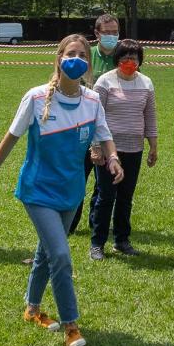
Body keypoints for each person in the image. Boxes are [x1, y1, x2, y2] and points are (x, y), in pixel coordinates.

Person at [0, 34, 122, 346]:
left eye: (82, 55)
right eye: (70, 53)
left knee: (46, 251)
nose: (77, 59)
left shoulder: (92, 100)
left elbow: (105, 135)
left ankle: (31, 308)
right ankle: (71, 325)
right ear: (58, 58)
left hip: (71, 192)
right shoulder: (36, 97)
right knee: (60, 255)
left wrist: (112, 158)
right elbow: (11, 137)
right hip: (38, 190)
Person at [90, 39, 157, 258]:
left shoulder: (146, 83)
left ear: (140, 60)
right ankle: (97, 243)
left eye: (134, 57)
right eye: (125, 57)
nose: (129, 61)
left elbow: (150, 116)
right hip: (109, 149)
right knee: (106, 196)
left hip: (134, 148)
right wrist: (96, 147)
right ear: (117, 59)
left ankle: (122, 240)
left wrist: (152, 146)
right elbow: (94, 117)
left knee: (126, 197)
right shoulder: (105, 82)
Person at [69, 14, 121, 232]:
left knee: (105, 184)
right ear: (97, 34)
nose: (111, 36)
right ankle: (70, 222)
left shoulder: (123, 57)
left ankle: (96, 222)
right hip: (83, 129)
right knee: (78, 177)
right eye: (106, 32)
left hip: (111, 132)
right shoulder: (87, 58)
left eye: (114, 32)